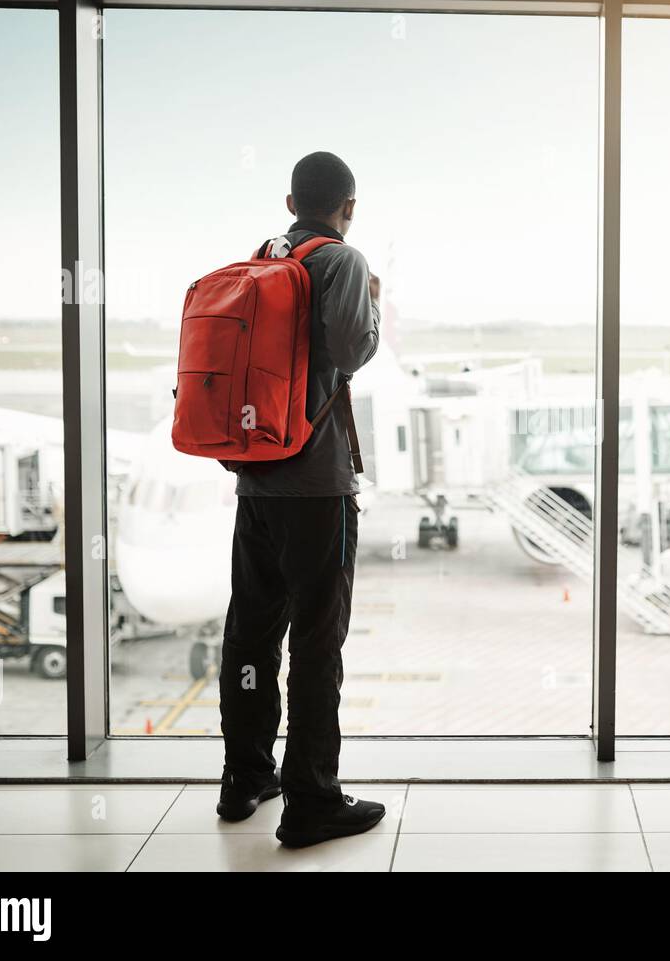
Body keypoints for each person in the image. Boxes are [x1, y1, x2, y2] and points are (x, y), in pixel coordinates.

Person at [215, 151, 385, 848]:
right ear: (349, 206)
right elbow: (352, 349)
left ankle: (245, 775)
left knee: (251, 633)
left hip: (256, 481)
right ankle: (312, 797)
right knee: (317, 641)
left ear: (291, 203)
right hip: (316, 487)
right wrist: (371, 300)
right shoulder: (341, 261)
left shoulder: (263, 257)